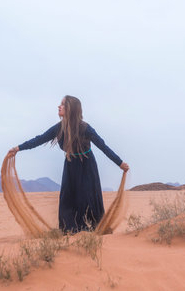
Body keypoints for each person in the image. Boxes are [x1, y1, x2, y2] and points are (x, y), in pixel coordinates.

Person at [8, 95, 129, 233]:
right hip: (70, 165)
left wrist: (120, 163)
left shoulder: (85, 128)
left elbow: (103, 146)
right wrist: (18, 148)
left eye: (63, 104)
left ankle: (92, 230)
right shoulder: (59, 128)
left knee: (87, 197)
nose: (59, 106)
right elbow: (39, 139)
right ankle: (69, 231)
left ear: (71, 109)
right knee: (66, 197)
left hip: (87, 165)